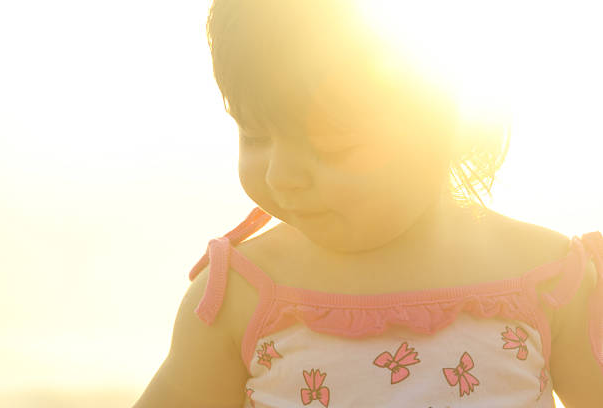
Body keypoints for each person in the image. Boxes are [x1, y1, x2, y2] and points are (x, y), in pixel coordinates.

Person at [133, 1, 603, 406]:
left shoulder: (548, 278)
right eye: (255, 135)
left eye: (331, 148)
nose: (280, 176)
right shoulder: (238, 297)